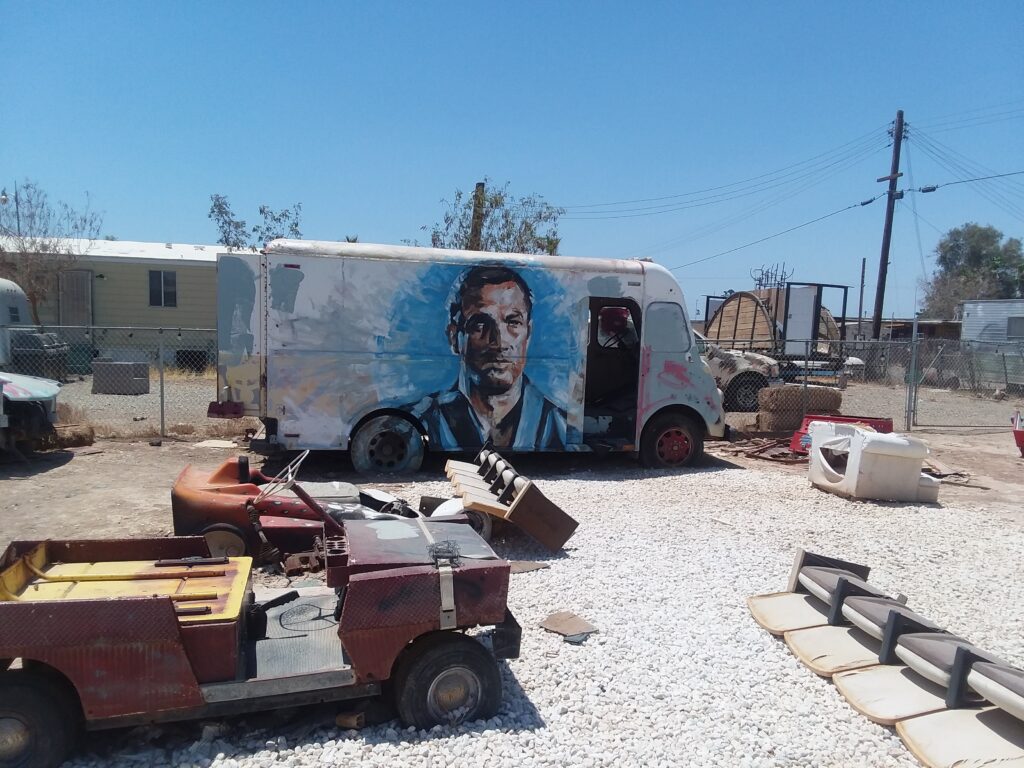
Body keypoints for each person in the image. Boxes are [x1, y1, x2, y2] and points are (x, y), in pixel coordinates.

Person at [402, 265, 567, 450]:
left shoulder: (558, 424)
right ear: (454, 337)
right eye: (480, 324)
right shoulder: (424, 421)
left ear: (528, 335)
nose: (499, 342)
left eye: (513, 322)